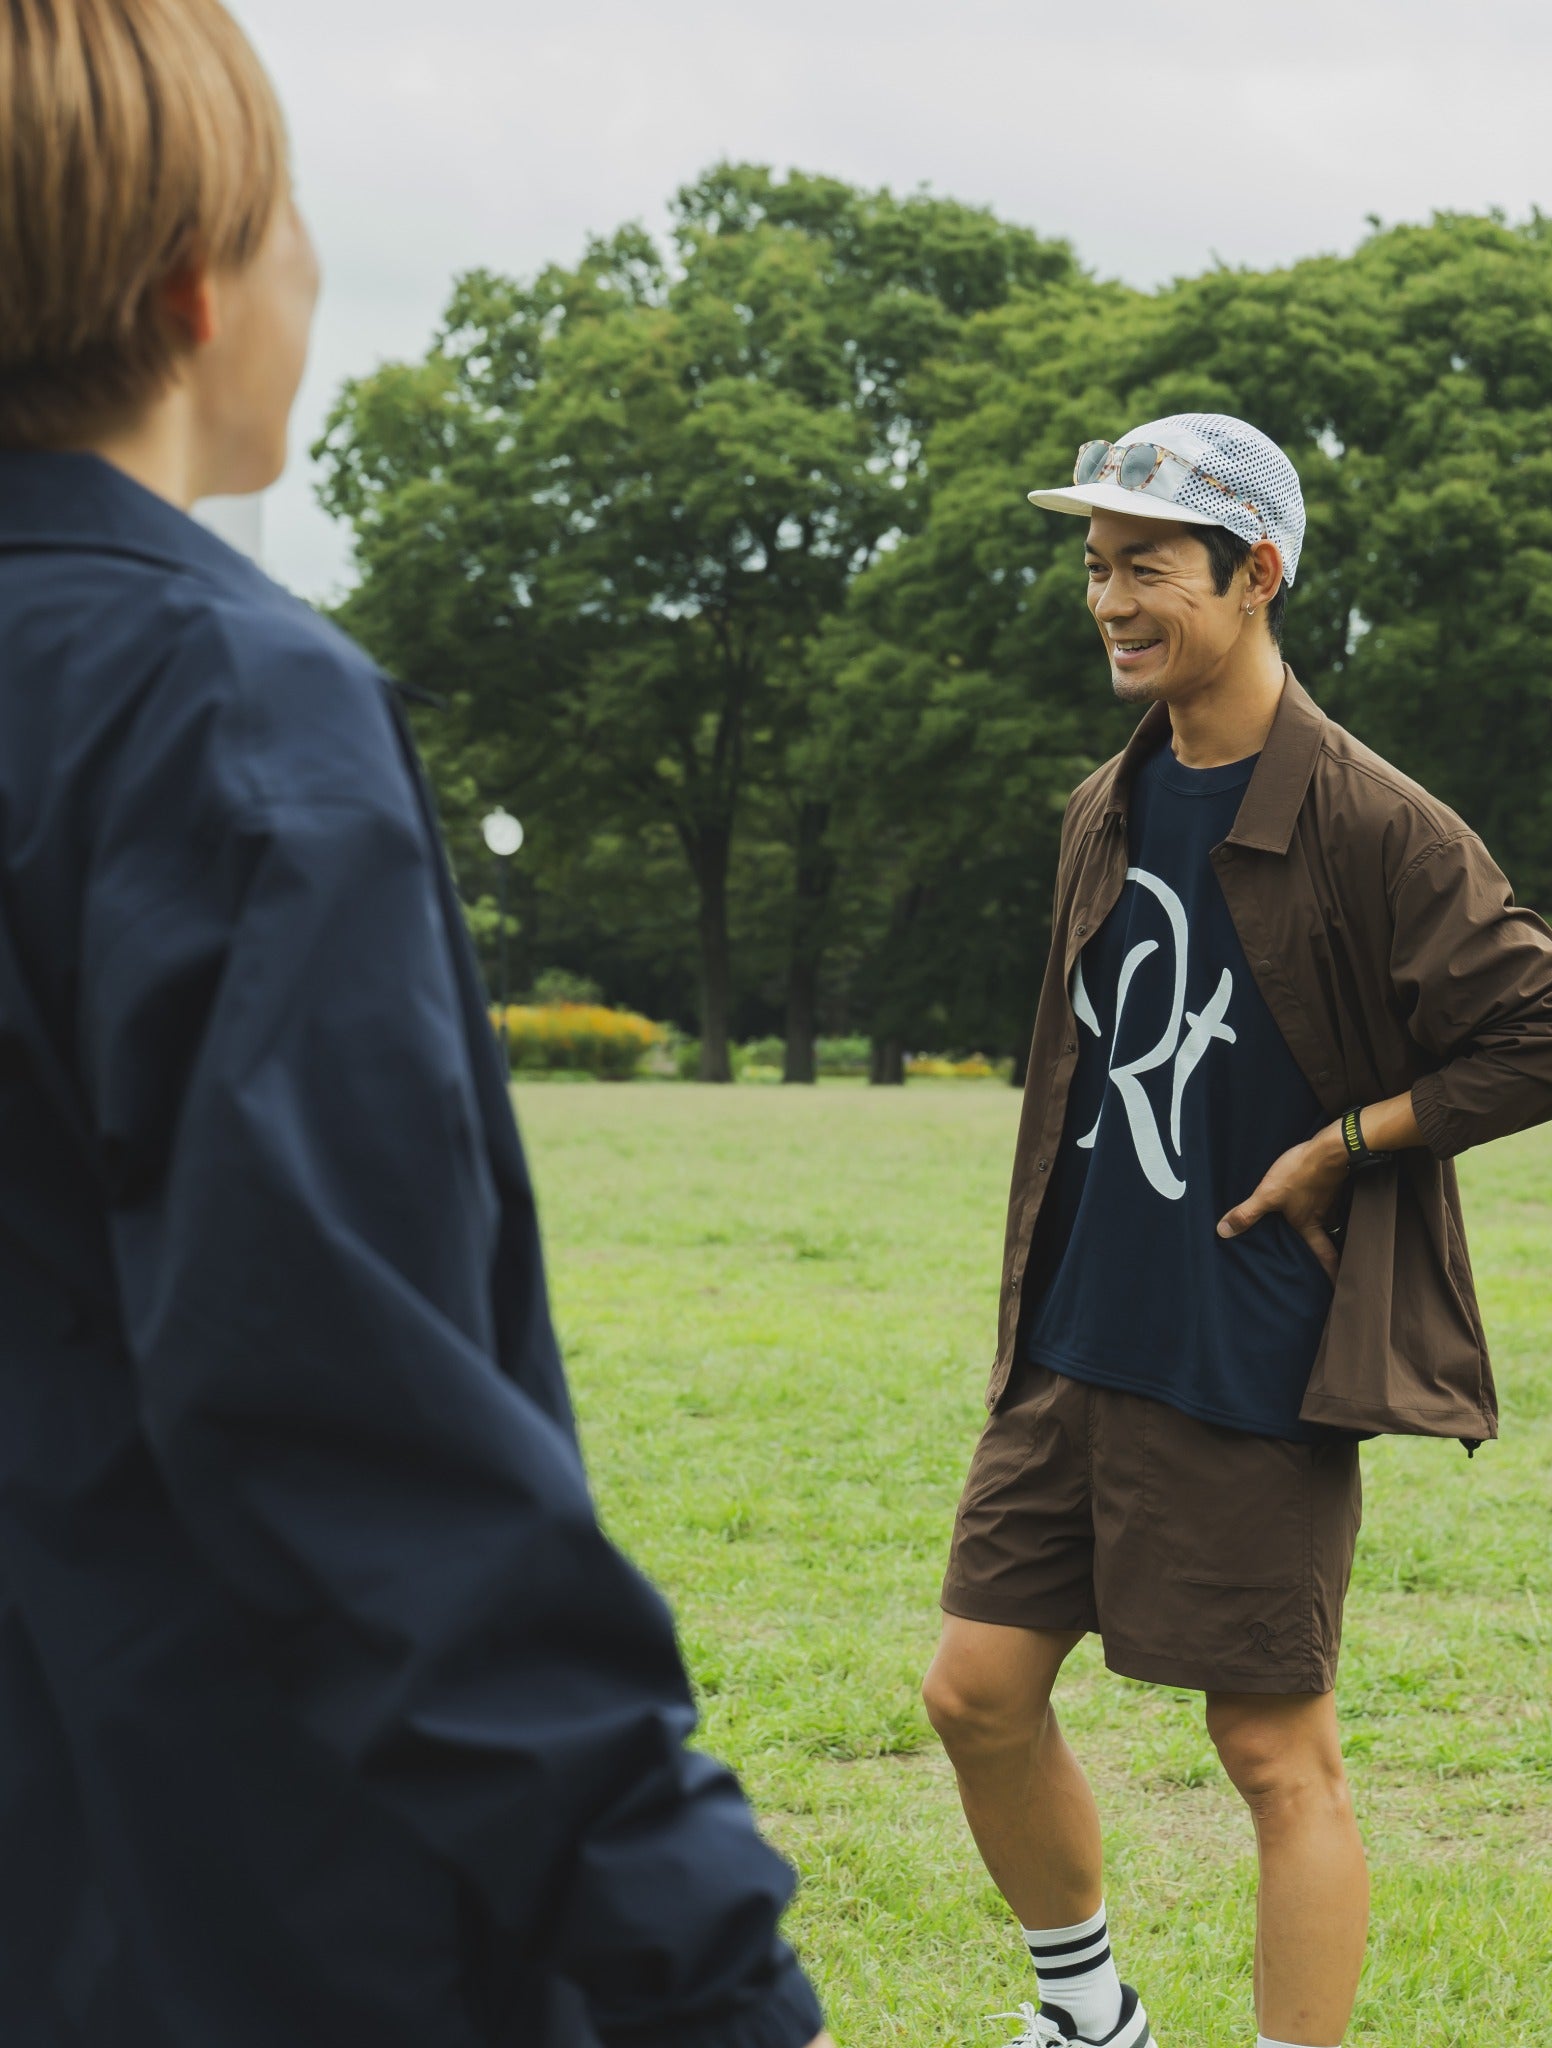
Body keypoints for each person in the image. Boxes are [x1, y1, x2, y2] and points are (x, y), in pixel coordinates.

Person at [0, 6, 827, 2045]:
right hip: (232, 1917)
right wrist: (702, 1954)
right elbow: (343, 1428)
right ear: (197, 283)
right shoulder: (215, 706)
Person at [920, 413, 1552, 2048]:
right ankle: (1089, 2015)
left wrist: (1343, 1145)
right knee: (975, 1694)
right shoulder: (1108, 800)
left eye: (1149, 567)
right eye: (1098, 569)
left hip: (1248, 1347)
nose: (1111, 599)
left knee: (1274, 1757)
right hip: (1078, 1334)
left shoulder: (1373, 818)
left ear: (1258, 574)